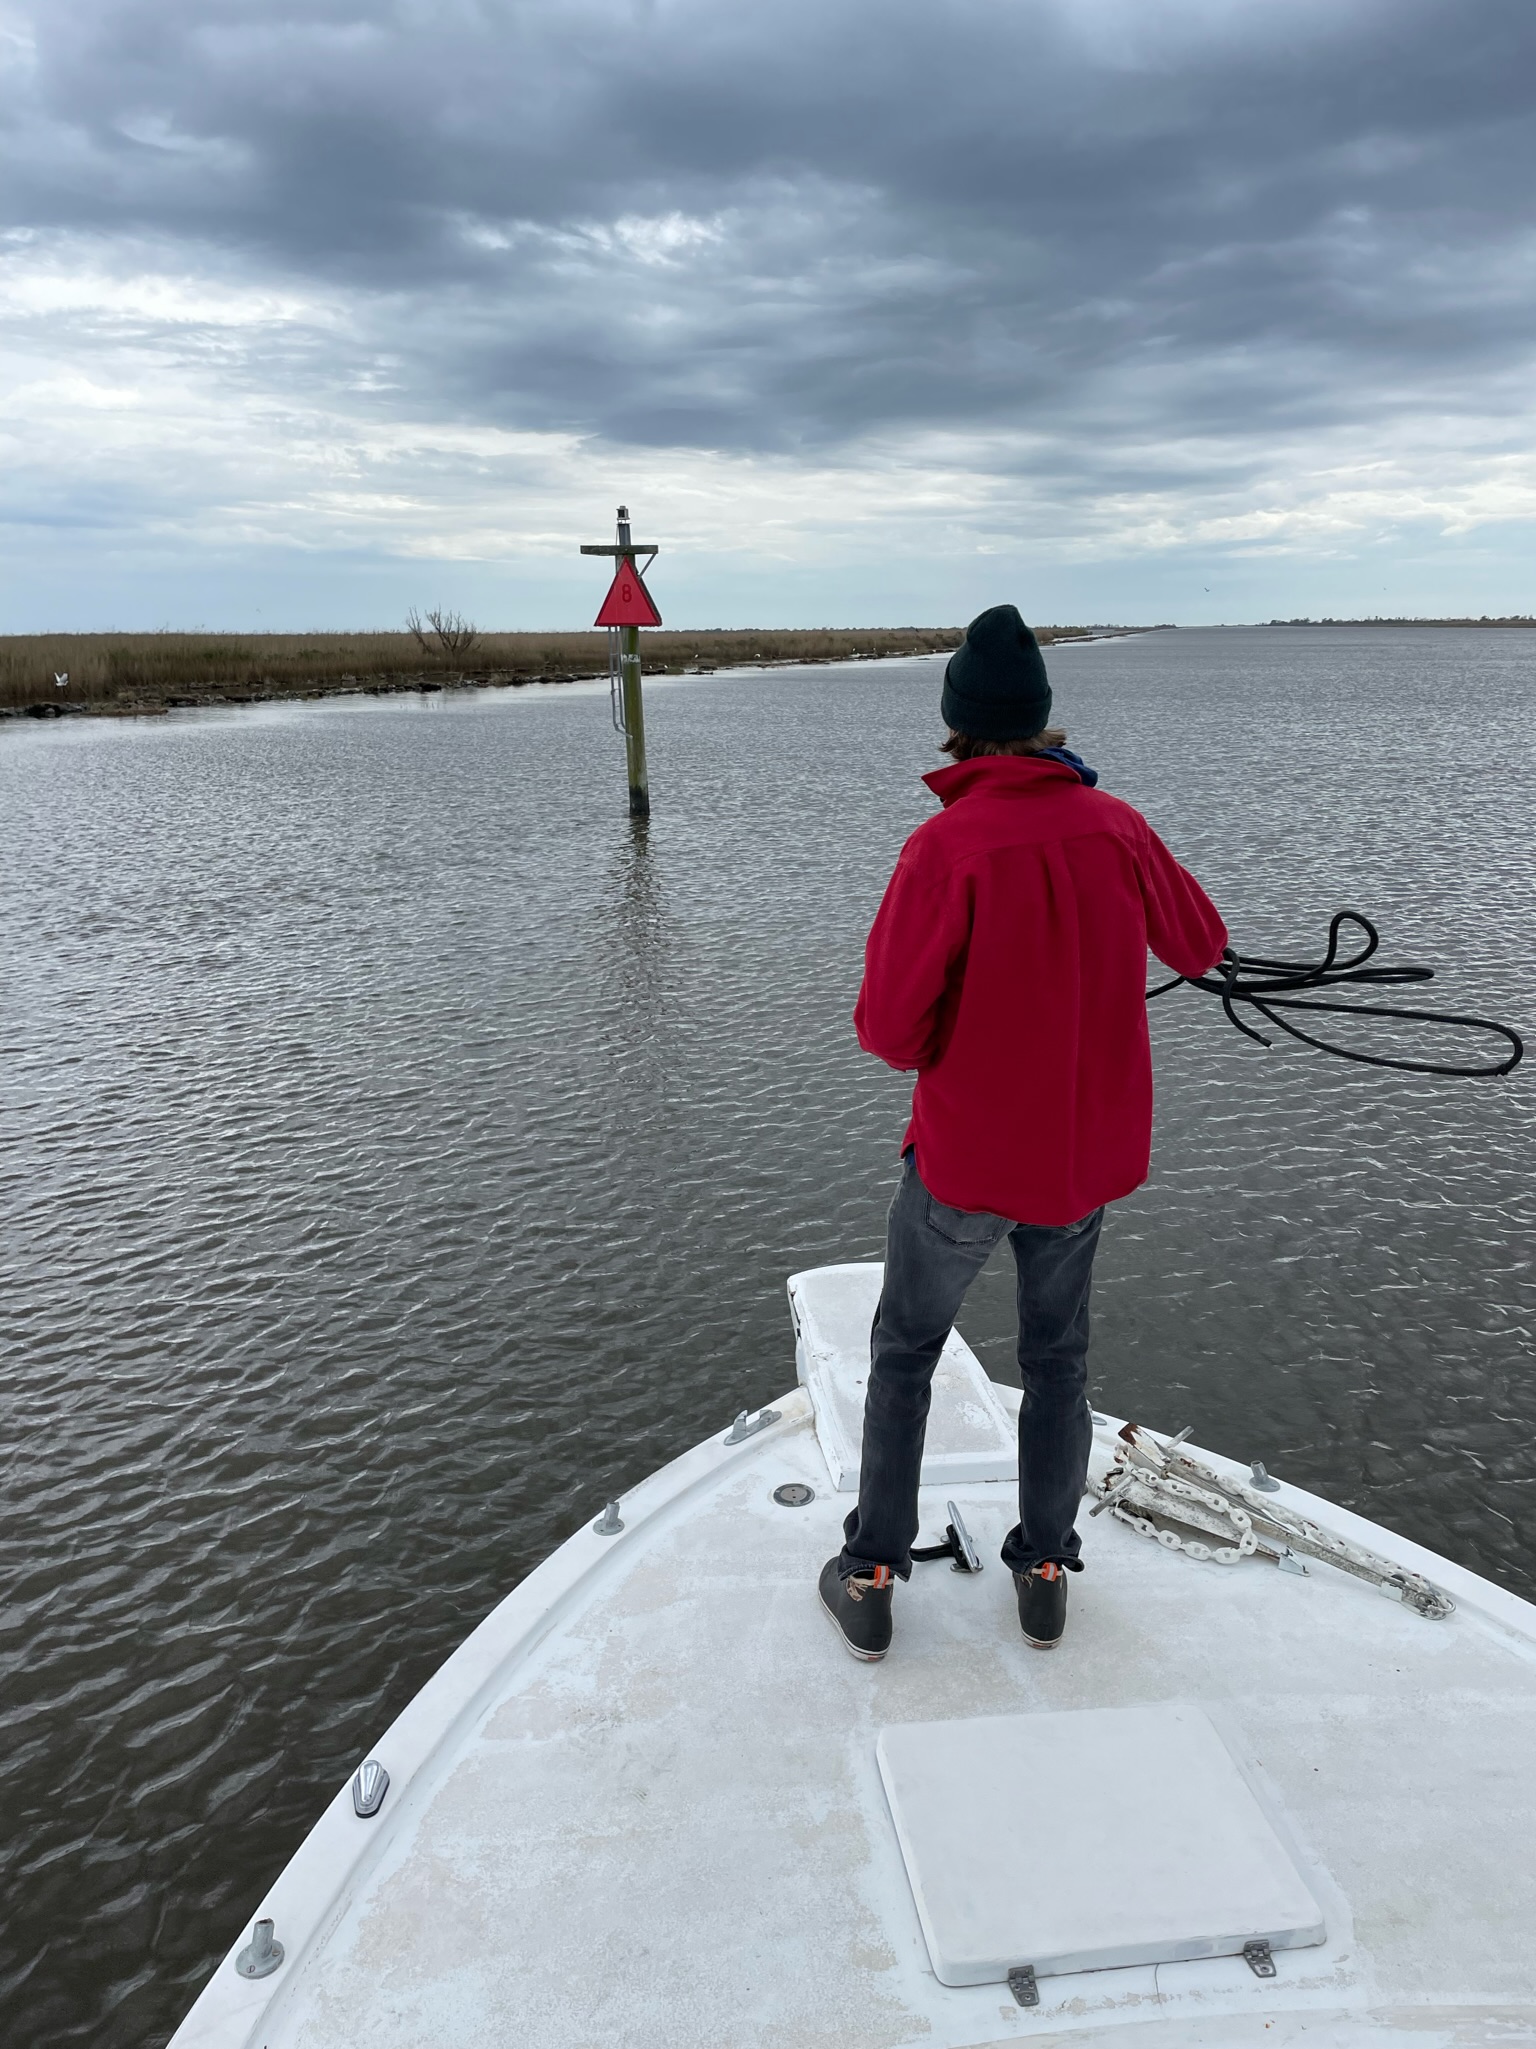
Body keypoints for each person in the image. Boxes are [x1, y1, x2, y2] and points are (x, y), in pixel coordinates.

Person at [819, 604, 1227, 1661]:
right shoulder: (1116, 824)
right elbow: (1201, 944)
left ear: (956, 725)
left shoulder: (946, 845)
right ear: (1044, 721)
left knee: (905, 1351)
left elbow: (886, 1031)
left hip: (963, 1165)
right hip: (1080, 1169)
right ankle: (1045, 1565)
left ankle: (871, 1571)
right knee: (1059, 1365)